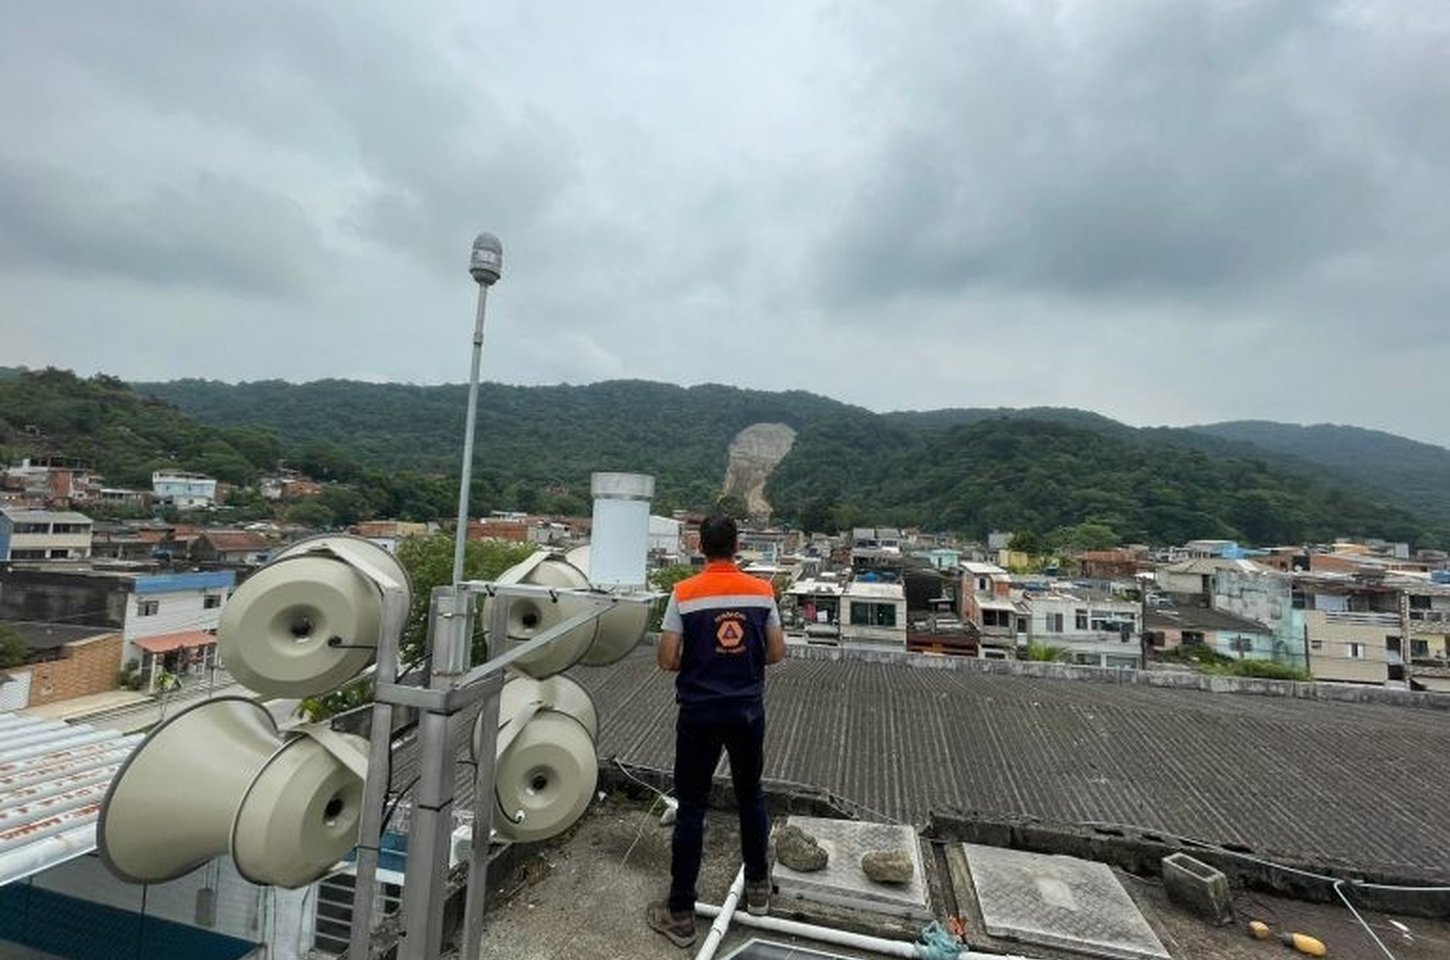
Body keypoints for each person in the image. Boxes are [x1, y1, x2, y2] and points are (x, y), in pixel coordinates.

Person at [646, 515, 787, 948]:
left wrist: (703, 655)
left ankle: (682, 913)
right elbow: (777, 652)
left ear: (700, 546)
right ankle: (759, 890)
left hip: (699, 713)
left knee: (692, 806)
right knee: (751, 795)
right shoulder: (762, 592)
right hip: (746, 710)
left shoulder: (684, 593)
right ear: (737, 545)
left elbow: (667, 659)